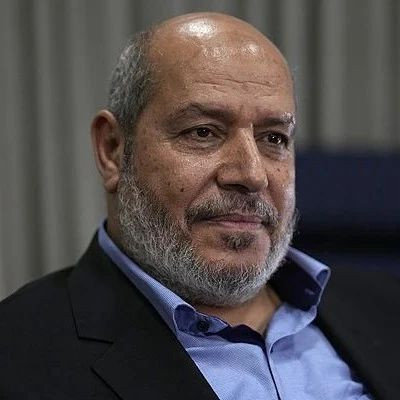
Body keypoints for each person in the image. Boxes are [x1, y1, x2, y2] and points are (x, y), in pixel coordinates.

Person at [0, 12, 398, 400]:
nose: (252, 174)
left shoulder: (386, 305)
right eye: (204, 132)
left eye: (274, 138)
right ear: (113, 150)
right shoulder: (18, 355)